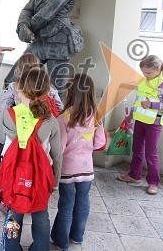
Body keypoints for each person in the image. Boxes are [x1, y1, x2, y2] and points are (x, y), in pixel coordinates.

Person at [0, 67, 61, 251]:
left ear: (20, 88)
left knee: (13, 216)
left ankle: (11, 247)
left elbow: (1, 138)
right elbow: (57, 155)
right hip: (40, 178)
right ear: (46, 91)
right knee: (41, 216)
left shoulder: (8, 115)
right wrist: (54, 182)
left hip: (14, 177)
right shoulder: (50, 120)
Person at [51, 73, 106, 250]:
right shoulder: (96, 116)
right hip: (87, 170)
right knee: (83, 202)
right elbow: (100, 142)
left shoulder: (63, 118)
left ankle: (61, 242)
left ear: (71, 93)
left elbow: (59, 148)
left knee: (66, 204)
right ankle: (77, 237)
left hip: (67, 170)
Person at [117, 55, 163, 195]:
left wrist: (152, 105)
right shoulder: (144, 81)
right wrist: (130, 116)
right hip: (139, 120)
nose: (145, 75)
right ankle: (134, 175)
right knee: (137, 148)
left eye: (148, 72)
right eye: (143, 72)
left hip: (154, 123)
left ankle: (153, 182)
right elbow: (139, 101)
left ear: (158, 69)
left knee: (151, 153)